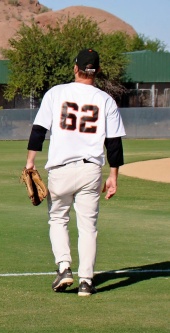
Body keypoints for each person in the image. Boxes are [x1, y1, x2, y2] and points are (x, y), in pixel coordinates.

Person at [24, 49, 126, 297]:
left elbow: (39, 130)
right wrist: (113, 176)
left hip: (60, 169)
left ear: (75, 68)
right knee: (88, 226)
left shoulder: (56, 93)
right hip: (91, 170)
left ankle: (64, 267)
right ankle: (86, 281)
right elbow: (113, 143)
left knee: (58, 218)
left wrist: (30, 162)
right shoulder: (106, 100)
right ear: (97, 71)